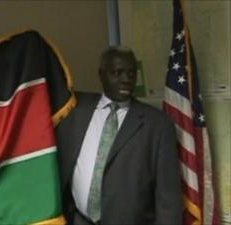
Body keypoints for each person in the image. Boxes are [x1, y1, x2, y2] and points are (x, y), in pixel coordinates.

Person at [56, 46, 183, 225]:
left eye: (131, 74)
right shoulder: (75, 110)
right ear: (101, 75)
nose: (125, 80)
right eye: (117, 72)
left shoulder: (157, 125)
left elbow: (168, 199)